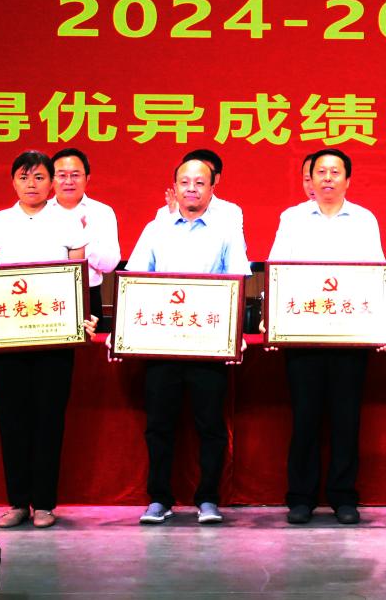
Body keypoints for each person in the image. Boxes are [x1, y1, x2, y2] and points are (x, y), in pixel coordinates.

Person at [128, 155, 252, 526]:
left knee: (210, 426)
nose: (192, 189)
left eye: (200, 183)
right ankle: (159, 499)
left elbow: (238, 282)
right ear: (175, 188)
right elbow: (136, 280)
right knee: (159, 425)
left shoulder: (226, 230)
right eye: (185, 182)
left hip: (208, 343)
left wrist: (235, 334)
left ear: (212, 188)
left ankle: (208, 499)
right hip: (161, 342)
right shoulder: (156, 229)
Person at [269, 148, 385, 526]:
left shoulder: (364, 219)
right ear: (310, 179)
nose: (328, 178)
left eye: (336, 172)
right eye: (321, 172)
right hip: (303, 333)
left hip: (350, 333)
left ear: (348, 180)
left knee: (346, 418)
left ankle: (343, 496)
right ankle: (300, 497)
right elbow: (276, 269)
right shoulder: (292, 218)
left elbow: (376, 274)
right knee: (305, 417)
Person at [0, 150, 89, 530]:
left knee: (49, 420)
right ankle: (17, 502)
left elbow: (77, 277)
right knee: (12, 421)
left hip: (53, 338)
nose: (32, 184)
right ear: (13, 182)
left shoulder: (68, 222)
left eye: (39, 177)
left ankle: (44, 504)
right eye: (24, 177)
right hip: (6, 340)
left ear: (51, 182)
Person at [51, 148, 120, 319]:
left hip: (89, 295)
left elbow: (109, 264)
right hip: (48, 295)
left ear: (87, 178)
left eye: (75, 175)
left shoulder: (102, 212)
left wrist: (83, 237)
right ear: (51, 179)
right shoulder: (42, 212)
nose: (69, 181)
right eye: (61, 175)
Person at [156, 148, 244, 233]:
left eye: (199, 181)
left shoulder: (230, 211)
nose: (191, 188)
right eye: (185, 181)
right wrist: (174, 216)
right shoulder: (165, 213)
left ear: (216, 178)